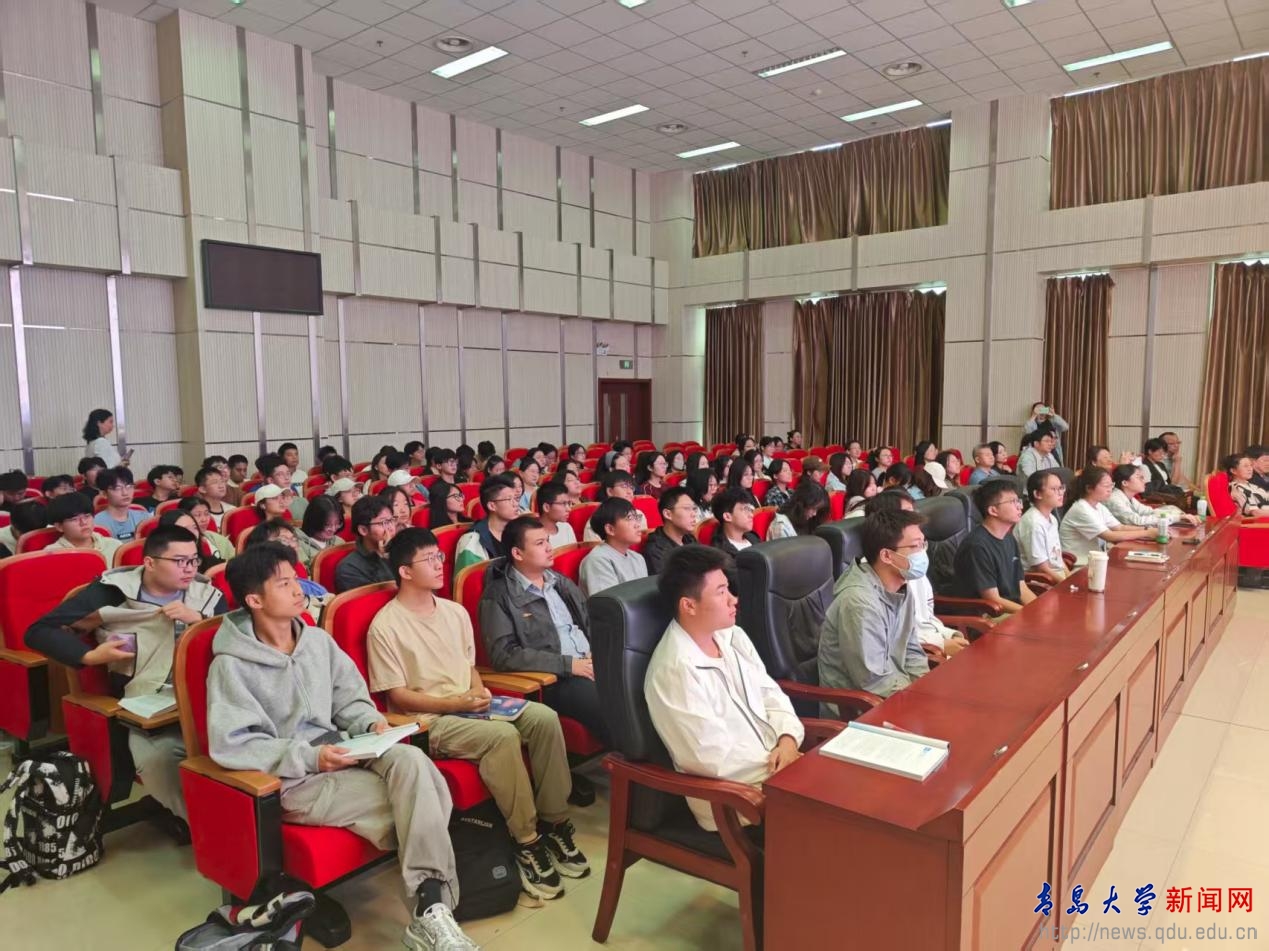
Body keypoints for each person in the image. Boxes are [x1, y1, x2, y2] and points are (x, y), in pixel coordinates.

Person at [208, 544, 477, 951]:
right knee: (427, 795)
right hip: (295, 777)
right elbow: (235, 743)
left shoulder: (316, 641)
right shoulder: (231, 665)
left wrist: (368, 722)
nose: (298, 589)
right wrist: (309, 756)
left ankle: (429, 910)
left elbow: (350, 698)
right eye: (283, 583)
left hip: (345, 750)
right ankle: (432, 908)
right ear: (254, 600)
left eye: (296, 579)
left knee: (412, 761)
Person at [369, 529, 587, 900]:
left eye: (439, 556)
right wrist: (456, 704)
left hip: (472, 705)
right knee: (503, 737)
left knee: (543, 719)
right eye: (429, 559)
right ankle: (527, 839)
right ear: (405, 572)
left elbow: (469, 666)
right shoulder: (386, 626)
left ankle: (554, 821)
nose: (440, 564)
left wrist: (477, 691)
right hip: (432, 721)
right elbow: (397, 695)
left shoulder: (453, 612)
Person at [27, 525, 226, 828]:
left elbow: (232, 639)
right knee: (156, 760)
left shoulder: (206, 595)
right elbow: (39, 631)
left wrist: (199, 620)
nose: (190, 569)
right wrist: (89, 656)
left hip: (208, 699)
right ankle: (209, 830)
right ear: (150, 562)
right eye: (180, 561)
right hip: (146, 704)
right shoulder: (111, 591)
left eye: (194, 560)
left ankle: (243, 819)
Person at [644, 545, 803, 832]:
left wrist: (789, 740)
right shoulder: (675, 670)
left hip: (779, 771)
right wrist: (783, 765)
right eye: (721, 592)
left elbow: (771, 694)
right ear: (689, 606)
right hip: (737, 801)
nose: (733, 599)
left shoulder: (732, 636)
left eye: (728, 588)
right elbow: (711, 759)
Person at [480, 516, 609, 803]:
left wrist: (596, 652)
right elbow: (504, 655)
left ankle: (662, 765)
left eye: (548, 541)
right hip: (554, 678)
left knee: (641, 684)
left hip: (588, 663)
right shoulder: (498, 595)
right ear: (517, 553)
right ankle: (642, 776)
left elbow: (588, 623)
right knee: (611, 703)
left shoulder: (558, 581)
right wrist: (569, 665)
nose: (550, 547)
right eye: (540, 543)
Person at [818, 508, 931, 701]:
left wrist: (926, 688)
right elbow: (873, 682)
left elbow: (911, 650)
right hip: (861, 707)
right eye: (915, 546)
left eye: (923, 544)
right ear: (887, 555)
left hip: (898, 693)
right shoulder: (859, 602)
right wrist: (918, 698)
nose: (922, 553)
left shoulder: (901, 587)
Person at [862, 491, 969, 658]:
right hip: (923, 653)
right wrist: (939, 645)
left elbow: (926, 618)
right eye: (907, 513)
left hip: (929, 647)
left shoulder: (912, 563)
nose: (913, 518)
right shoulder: (880, 576)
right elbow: (891, 644)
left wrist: (949, 635)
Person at [950, 480, 1035, 614]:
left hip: (1011, 609)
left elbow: (1021, 587)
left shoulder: (1009, 538)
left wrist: (1039, 609)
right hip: (988, 615)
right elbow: (992, 599)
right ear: (993, 510)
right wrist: (1030, 613)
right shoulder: (977, 546)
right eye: (1013, 502)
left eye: (1018, 501)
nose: (1020, 506)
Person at [1059, 467, 1155, 565]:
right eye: (1106, 486)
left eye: (1111, 485)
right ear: (1089, 488)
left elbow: (1119, 527)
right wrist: (1147, 533)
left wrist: (1148, 529)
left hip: (1096, 560)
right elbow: (1109, 536)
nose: (1110, 489)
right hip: (1080, 564)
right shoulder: (1081, 509)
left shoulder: (1098, 505)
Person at [579, 498, 649, 596]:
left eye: (636, 517)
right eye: (629, 518)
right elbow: (608, 603)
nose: (637, 525)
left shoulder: (638, 558)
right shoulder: (597, 560)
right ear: (610, 529)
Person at [454, 474, 518, 573]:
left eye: (516, 498)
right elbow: (470, 580)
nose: (515, 504)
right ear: (492, 506)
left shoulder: (519, 531)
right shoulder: (472, 542)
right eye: (509, 499)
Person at [333, 495, 398, 592]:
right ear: (363, 530)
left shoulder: (402, 550)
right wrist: (386, 558)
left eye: (391, 521)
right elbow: (382, 596)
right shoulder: (349, 568)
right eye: (383, 523)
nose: (391, 528)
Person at [1107, 464, 1200, 528]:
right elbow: (1137, 522)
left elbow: (1149, 511)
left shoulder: (1128, 497)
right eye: (1139, 478)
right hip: (1112, 545)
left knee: (1172, 508)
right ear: (1125, 483)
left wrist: (1180, 516)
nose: (1144, 481)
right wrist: (1177, 518)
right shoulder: (1115, 499)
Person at [1016, 471, 1068, 584]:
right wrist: (1066, 584)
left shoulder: (1052, 519)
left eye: (1061, 488)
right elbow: (1042, 568)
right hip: (1041, 582)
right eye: (1054, 489)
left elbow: (1058, 557)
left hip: (1057, 577)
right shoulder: (1033, 523)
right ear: (1037, 494)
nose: (1061, 493)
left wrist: (1069, 578)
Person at [45, 492, 122, 564]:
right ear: (59, 526)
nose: (83, 522)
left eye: (87, 516)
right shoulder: (52, 555)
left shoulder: (114, 545)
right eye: (74, 519)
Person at [642, 487, 698, 574]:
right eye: (687, 508)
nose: (693, 514)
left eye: (694, 509)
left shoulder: (689, 539)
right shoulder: (656, 550)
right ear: (668, 514)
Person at [582, 471, 647, 541]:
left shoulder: (638, 514)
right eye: (624, 486)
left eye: (631, 487)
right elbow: (595, 547)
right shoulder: (597, 519)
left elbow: (642, 542)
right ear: (610, 491)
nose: (629, 492)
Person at [93, 467, 147, 541]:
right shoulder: (96, 523)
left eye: (129, 486)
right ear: (104, 494)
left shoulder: (144, 518)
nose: (125, 493)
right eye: (117, 488)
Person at [179, 495, 236, 563]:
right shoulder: (178, 545)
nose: (204, 519)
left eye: (206, 514)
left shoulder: (218, 539)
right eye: (197, 515)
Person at [709, 488, 762, 557]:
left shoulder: (753, 537)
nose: (751, 515)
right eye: (745, 509)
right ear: (727, 517)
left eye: (750, 510)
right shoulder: (721, 553)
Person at [297, 495, 345, 561]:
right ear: (313, 521)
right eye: (327, 525)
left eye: (337, 523)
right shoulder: (297, 545)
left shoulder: (339, 542)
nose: (333, 529)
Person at [1222, 454, 1269, 518]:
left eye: (1251, 465)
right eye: (1245, 466)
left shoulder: (1251, 485)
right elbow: (1256, 513)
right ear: (1233, 471)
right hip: (1259, 521)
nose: (1250, 469)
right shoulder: (1238, 489)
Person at [536, 481, 577, 550]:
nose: (569, 509)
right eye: (563, 504)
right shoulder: (534, 535)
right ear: (546, 507)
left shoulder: (566, 527)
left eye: (569, 503)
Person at [194, 465, 236, 533]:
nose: (221, 485)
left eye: (222, 481)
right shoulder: (198, 515)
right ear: (203, 489)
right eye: (215, 482)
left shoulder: (233, 510)